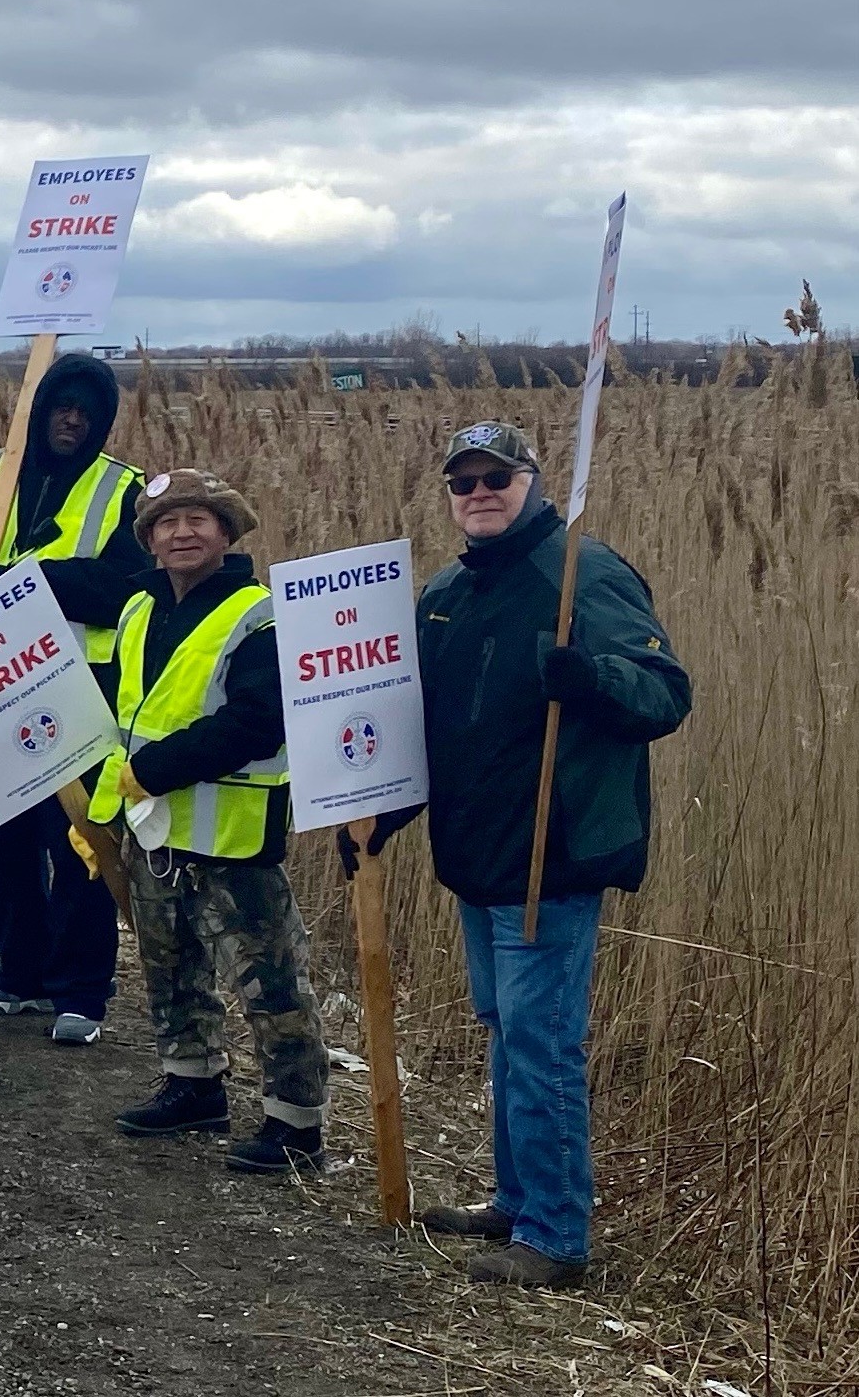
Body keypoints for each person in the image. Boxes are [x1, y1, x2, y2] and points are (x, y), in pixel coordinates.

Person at [343, 421, 691, 1288]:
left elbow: (663, 694)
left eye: (496, 476)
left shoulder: (581, 573)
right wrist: (382, 813)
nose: (479, 492)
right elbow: (425, 727)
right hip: (477, 853)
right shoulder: (444, 593)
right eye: (463, 482)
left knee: (538, 1041)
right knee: (505, 1034)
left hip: (552, 852)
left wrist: (589, 678)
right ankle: (515, 1200)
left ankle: (556, 1234)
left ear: (532, 481)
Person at [85, 469, 332, 1173]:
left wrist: (157, 771)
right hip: (153, 830)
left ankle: (296, 1123)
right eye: (166, 522)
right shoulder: (137, 609)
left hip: (230, 833)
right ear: (150, 540)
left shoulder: (258, 614)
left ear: (226, 532)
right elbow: (123, 719)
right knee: (169, 968)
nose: (182, 532)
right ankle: (192, 1085)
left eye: (198, 519)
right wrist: (101, 811)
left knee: (270, 983)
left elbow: (257, 721)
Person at [0, 352, 147, 1044]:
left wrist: (25, 579)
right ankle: (20, 975)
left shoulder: (125, 491)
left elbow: (128, 587)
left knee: (79, 841)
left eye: (86, 413)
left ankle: (81, 991)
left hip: (80, 684)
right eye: (61, 406)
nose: (71, 420)